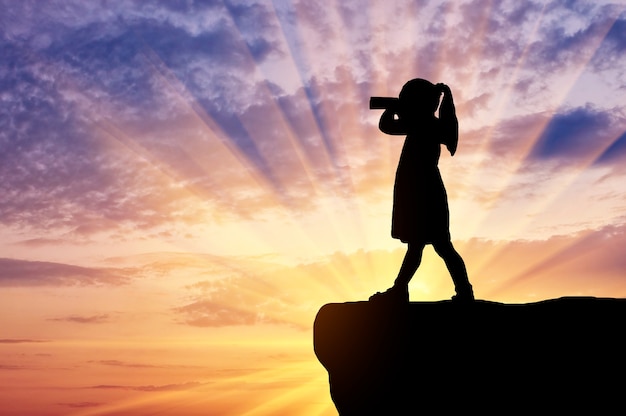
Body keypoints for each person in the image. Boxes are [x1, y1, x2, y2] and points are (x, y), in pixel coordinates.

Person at [370, 78, 474, 303]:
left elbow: (388, 126)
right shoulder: (427, 123)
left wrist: (393, 109)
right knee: (430, 246)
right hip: (424, 190)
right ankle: (405, 289)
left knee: (435, 246)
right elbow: (388, 126)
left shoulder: (423, 124)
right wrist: (394, 108)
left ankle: (402, 289)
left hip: (423, 193)